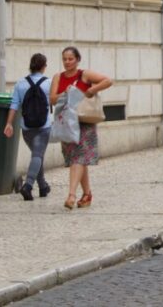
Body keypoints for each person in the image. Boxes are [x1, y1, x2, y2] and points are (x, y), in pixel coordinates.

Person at [49, 46, 113, 210]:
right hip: (67, 122)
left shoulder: (84, 74)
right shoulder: (58, 77)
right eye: (64, 59)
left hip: (85, 121)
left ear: (77, 60)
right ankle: (87, 194)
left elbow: (108, 80)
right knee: (77, 158)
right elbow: (52, 99)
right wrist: (67, 93)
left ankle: (71, 195)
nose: (67, 62)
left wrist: (90, 90)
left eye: (70, 59)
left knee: (78, 158)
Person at [3, 53, 52, 201]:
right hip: (44, 126)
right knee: (37, 155)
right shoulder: (49, 83)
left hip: (26, 127)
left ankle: (43, 186)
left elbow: (14, 105)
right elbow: (56, 100)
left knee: (37, 155)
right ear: (44, 66)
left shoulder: (20, 84)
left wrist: (9, 123)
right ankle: (28, 186)